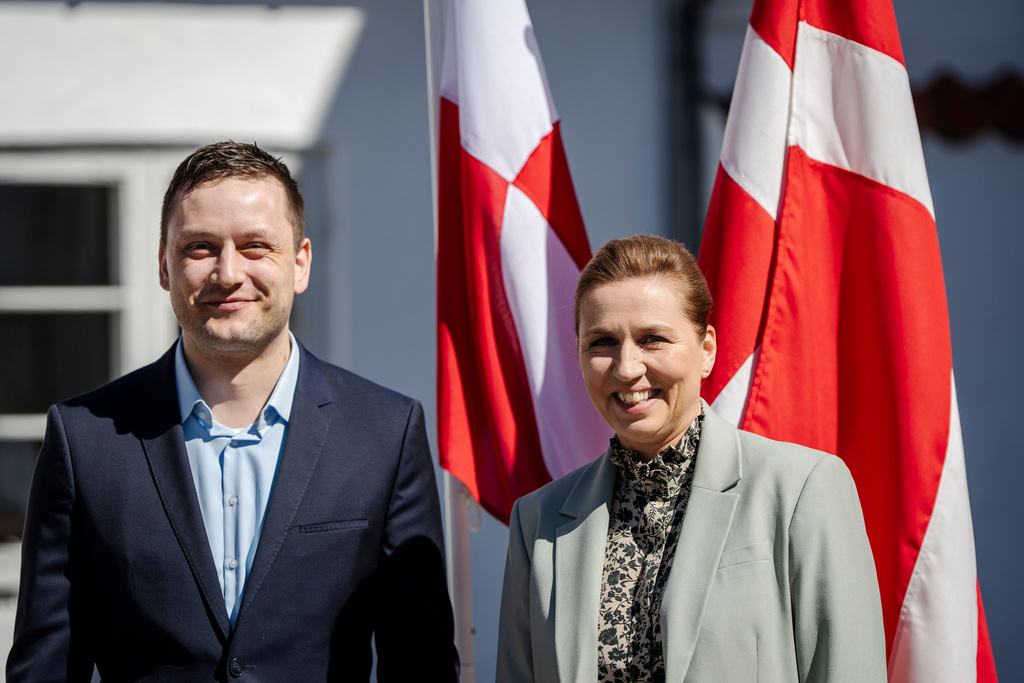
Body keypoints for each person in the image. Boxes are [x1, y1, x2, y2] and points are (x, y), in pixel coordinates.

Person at [6, 142, 459, 682]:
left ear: (299, 263)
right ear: (163, 265)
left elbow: (421, 664)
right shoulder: (85, 439)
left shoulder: (385, 433)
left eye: (255, 246)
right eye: (200, 247)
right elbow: (47, 668)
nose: (227, 272)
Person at [496, 234, 886, 682]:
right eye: (602, 342)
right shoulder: (537, 521)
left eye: (653, 339)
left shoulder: (801, 488)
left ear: (706, 351)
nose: (627, 368)